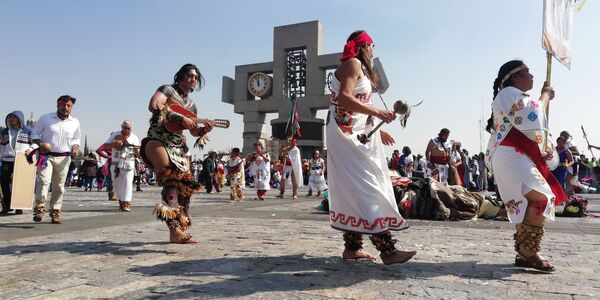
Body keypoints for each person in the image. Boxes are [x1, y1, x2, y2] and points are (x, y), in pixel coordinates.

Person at [326, 30, 416, 265]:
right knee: (368, 186)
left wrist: (377, 124)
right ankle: (387, 251)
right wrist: (377, 112)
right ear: (365, 46)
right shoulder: (353, 64)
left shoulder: (359, 69)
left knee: (356, 187)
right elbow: (345, 98)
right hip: (347, 137)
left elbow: (357, 105)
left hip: (354, 135)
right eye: (372, 46)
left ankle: (352, 248)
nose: (374, 51)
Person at [485, 60, 567, 272]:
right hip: (511, 155)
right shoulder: (508, 94)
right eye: (527, 73)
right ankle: (528, 251)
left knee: (531, 201)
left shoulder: (513, 96)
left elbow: (532, 128)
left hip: (517, 155)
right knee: (541, 197)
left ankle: (524, 252)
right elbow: (532, 113)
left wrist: (544, 150)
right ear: (514, 77)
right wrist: (546, 95)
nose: (532, 76)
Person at [140, 63, 212, 244]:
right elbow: (154, 104)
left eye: (196, 77)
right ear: (181, 76)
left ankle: (178, 228)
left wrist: (204, 130)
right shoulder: (168, 90)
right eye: (190, 75)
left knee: (186, 187)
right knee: (171, 180)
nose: (193, 79)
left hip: (177, 147)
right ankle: (175, 230)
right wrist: (179, 117)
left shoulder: (192, 105)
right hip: (157, 140)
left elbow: (193, 131)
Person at [29, 95, 81, 224]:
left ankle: (55, 211)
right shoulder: (46, 118)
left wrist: (75, 147)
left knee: (59, 186)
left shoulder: (75, 122)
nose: (66, 108)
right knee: (43, 181)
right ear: (58, 105)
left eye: (69, 106)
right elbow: (34, 134)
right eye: (63, 105)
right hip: (46, 156)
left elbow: (76, 139)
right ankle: (40, 208)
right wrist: (40, 145)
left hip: (63, 157)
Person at [0, 111, 33, 215]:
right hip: (7, 159)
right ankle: (6, 205)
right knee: (4, 182)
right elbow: (2, 146)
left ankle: (19, 206)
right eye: (10, 117)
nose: (11, 119)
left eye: (13, 117)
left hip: (21, 159)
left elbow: (36, 143)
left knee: (19, 183)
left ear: (19, 119)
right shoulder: (4, 131)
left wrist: (31, 149)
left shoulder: (28, 131)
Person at [103, 120, 140, 212]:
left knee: (128, 184)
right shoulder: (115, 134)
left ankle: (126, 203)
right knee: (117, 185)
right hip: (115, 165)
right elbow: (105, 146)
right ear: (121, 127)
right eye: (125, 128)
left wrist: (136, 150)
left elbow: (138, 154)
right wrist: (115, 144)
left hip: (128, 164)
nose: (127, 130)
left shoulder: (134, 137)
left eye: (129, 128)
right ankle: (121, 200)